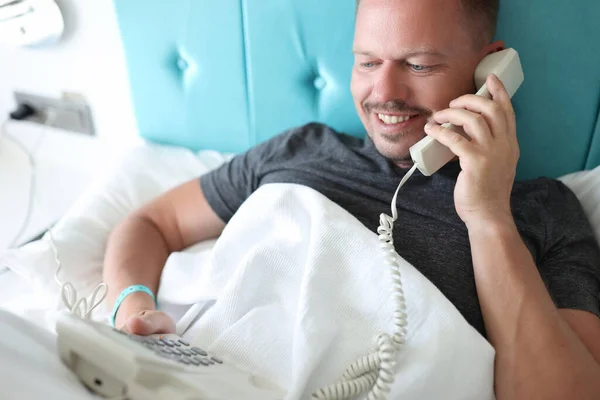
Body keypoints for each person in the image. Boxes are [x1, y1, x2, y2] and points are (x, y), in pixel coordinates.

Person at [103, 0, 600, 398]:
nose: (383, 91)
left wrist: (488, 217)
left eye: (419, 64)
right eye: (367, 62)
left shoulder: (542, 212)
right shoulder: (300, 149)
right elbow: (154, 221)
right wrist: (132, 307)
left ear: (490, 70)